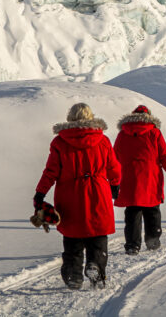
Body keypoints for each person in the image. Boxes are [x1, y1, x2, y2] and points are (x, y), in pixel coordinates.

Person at [34, 102, 121, 290]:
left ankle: (73, 275)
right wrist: (115, 186)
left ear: (70, 117)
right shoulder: (103, 140)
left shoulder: (60, 142)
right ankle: (95, 265)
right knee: (97, 236)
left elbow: (50, 172)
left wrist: (40, 193)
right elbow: (114, 167)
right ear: (91, 117)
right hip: (98, 192)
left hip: (69, 195)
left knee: (73, 239)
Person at [113, 104, 166, 255]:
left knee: (132, 212)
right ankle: (153, 240)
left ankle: (132, 245)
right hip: (151, 178)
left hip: (129, 179)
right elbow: (165, 157)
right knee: (152, 210)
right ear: (149, 116)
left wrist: (113, 181)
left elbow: (114, 159)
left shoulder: (122, 134)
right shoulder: (154, 133)